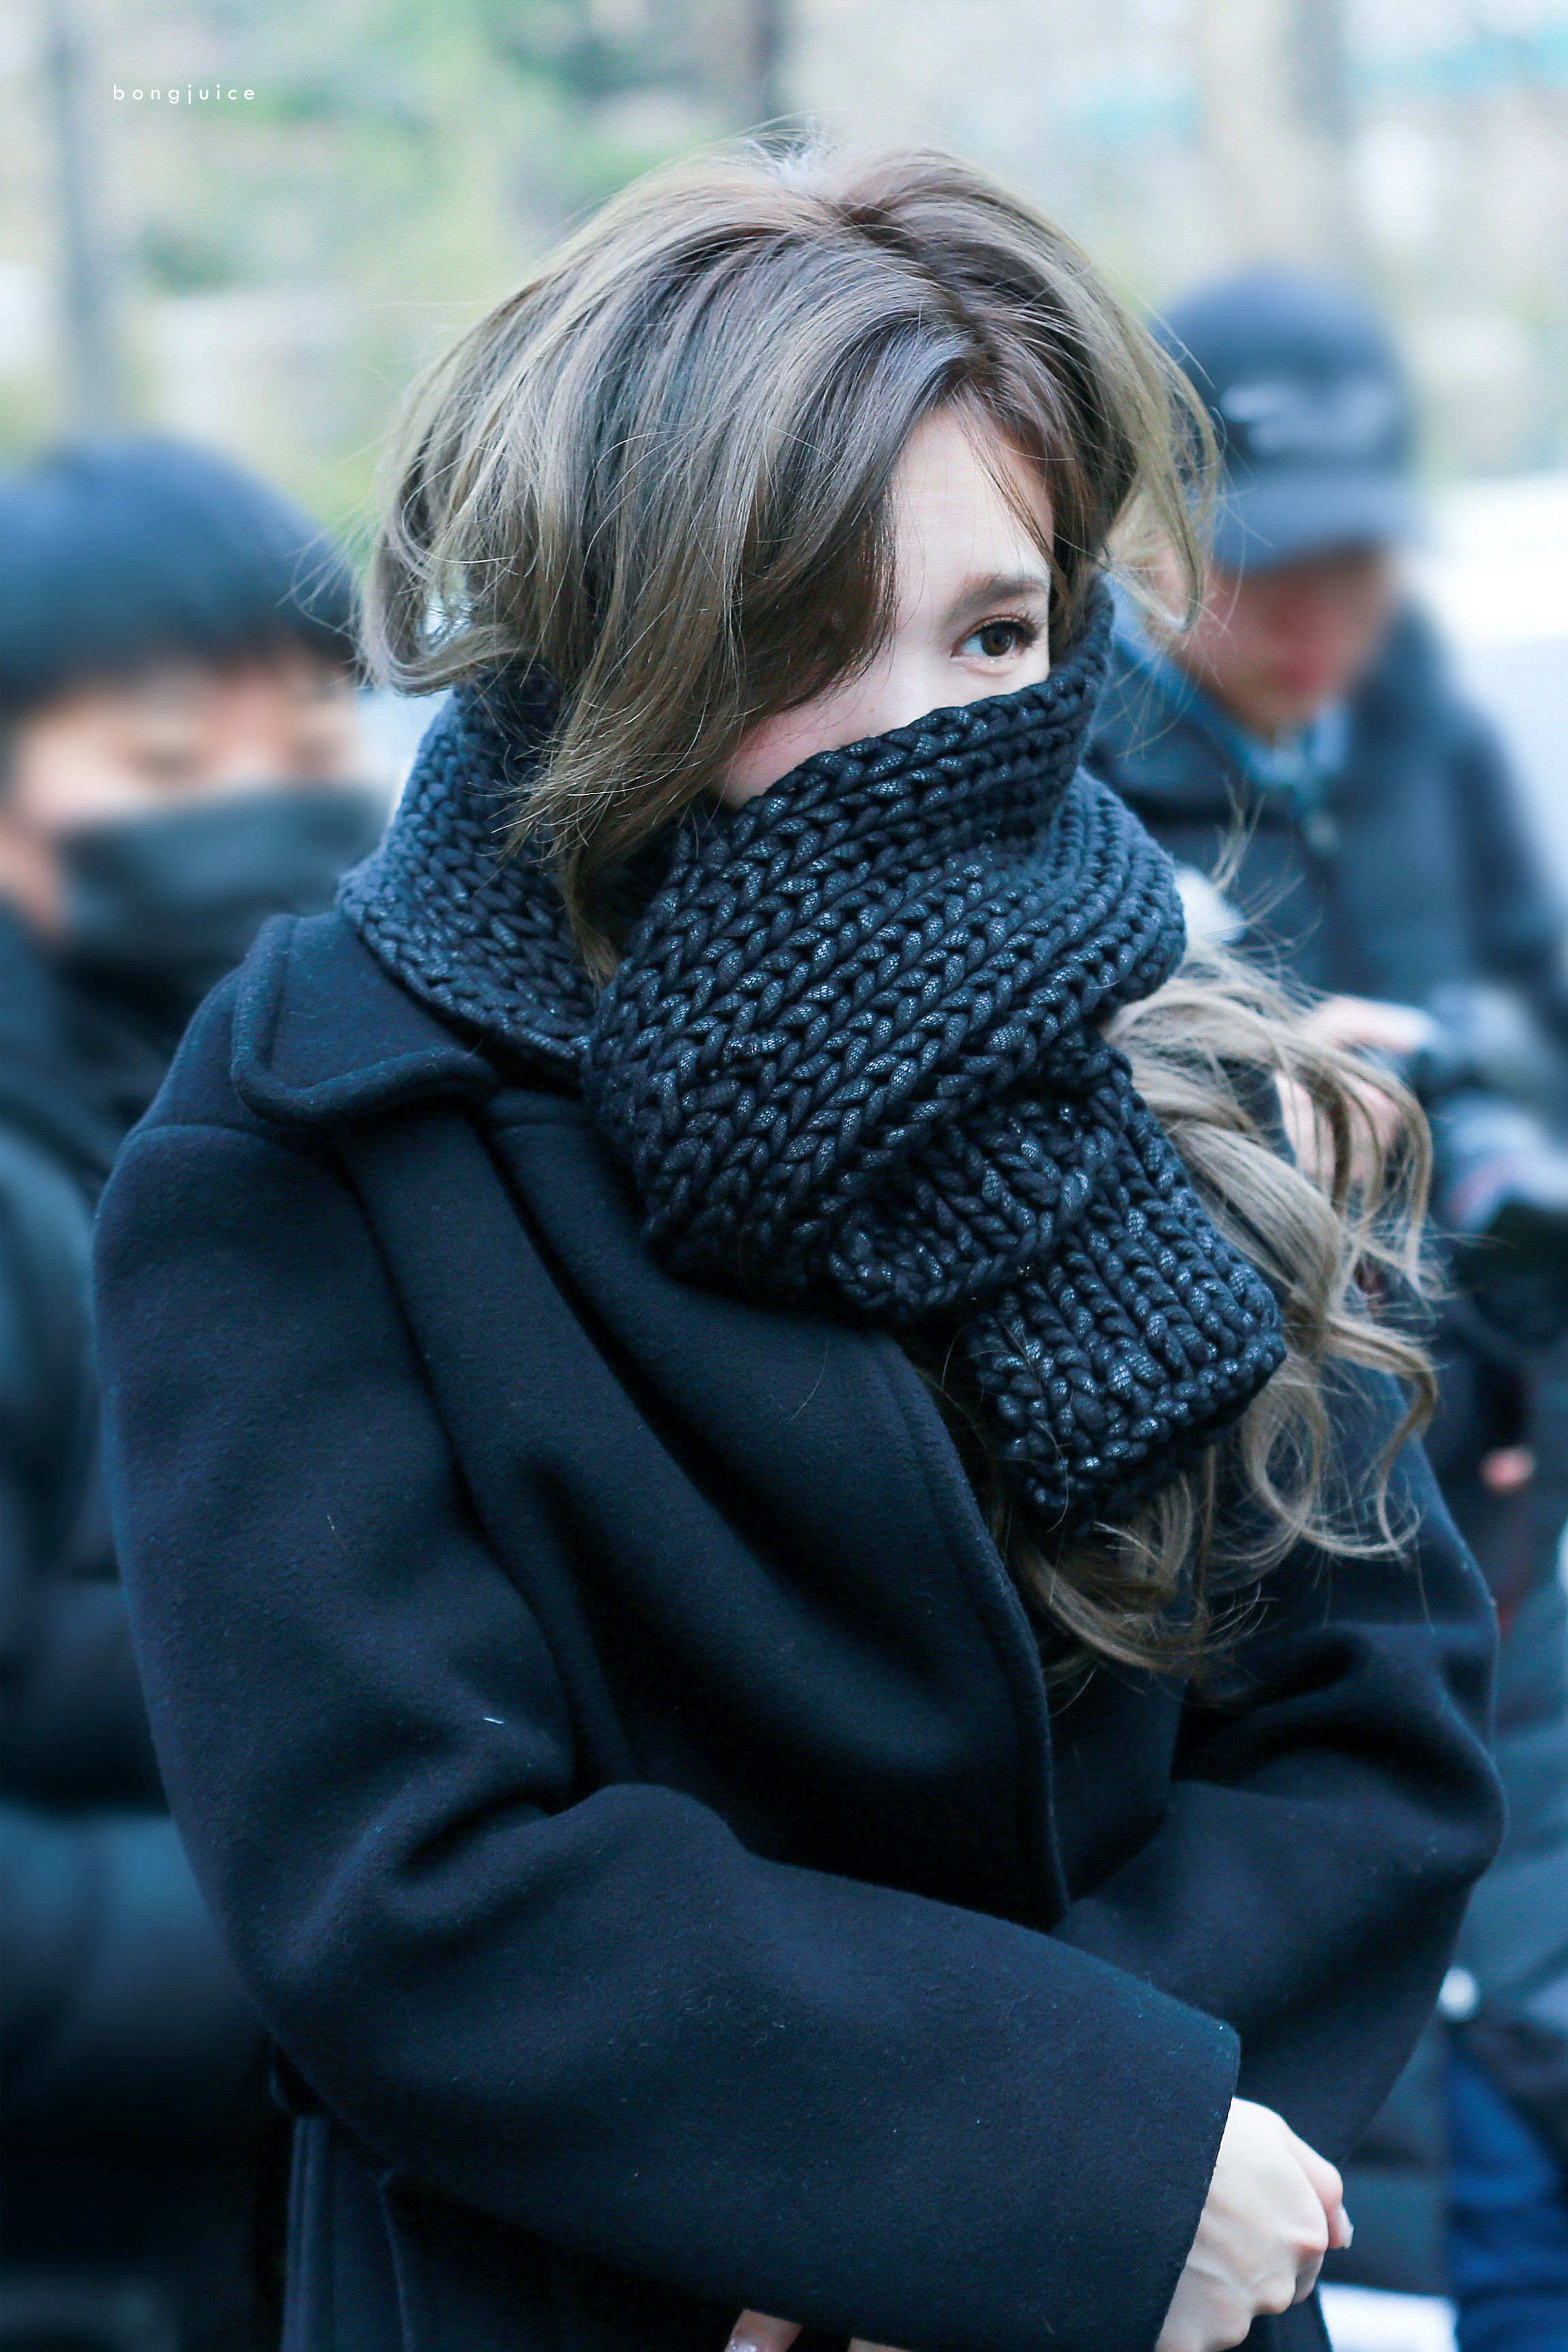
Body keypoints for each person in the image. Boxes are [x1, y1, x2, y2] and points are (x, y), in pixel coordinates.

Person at [92, 151, 1502, 2352]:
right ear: (625, 632)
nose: (927, 737)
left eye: (994, 632)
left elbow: (1367, 1711)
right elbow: (397, 1880)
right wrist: (1009, 2167)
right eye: (805, 637)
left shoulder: (1149, 1031)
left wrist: (1089, 2193)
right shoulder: (321, 1117)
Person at [1085, 267, 1568, 2348]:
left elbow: (1529, 1007)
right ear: (1146, 541)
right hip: (1266, 1520)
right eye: (1267, 569)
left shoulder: (1416, 719)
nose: (1315, 621)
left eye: (1358, 567)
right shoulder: (1062, 779)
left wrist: (1481, 1116)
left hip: (1502, 1490)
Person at [0, 436, 387, 2351]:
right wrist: (363, 1953)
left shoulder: (321, 1128)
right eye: (164, 760)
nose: (260, 804)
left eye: (310, 736)